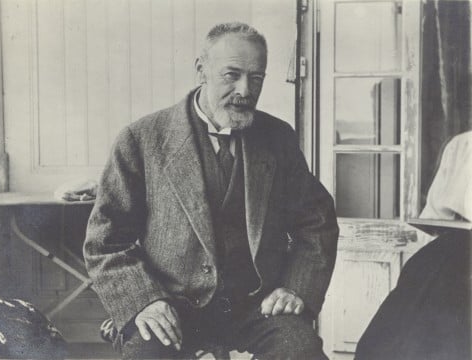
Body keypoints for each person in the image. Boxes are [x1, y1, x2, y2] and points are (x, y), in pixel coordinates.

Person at [84, 22, 339, 359]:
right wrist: (144, 301)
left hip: (256, 309)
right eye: (231, 75)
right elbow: (105, 241)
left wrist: (297, 288)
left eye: (257, 78)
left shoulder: (278, 139)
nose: (245, 90)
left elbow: (317, 222)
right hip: (171, 307)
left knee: (301, 351)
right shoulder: (142, 139)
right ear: (201, 70)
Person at [355, 132, 472, 360]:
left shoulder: (461, 142)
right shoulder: (462, 143)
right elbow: (437, 215)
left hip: (448, 252)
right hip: (452, 254)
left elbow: (436, 216)